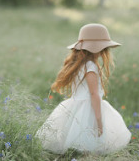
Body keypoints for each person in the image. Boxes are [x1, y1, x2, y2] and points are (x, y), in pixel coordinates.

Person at [37, 22, 131, 153]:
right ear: (97, 48)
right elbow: (94, 95)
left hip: (75, 107)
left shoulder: (79, 65)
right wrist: (99, 121)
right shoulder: (91, 67)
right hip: (90, 110)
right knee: (91, 144)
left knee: (80, 142)